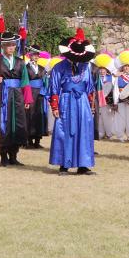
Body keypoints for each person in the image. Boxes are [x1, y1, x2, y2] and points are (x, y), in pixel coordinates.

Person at [49, 33, 97, 175]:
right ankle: (64, 165)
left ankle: (83, 165)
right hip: (65, 101)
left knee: (84, 131)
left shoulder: (85, 67)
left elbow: (89, 87)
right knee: (64, 131)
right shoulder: (58, 67)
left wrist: (91, 105)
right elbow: (54, 87)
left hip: (82, 102)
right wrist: (55, 106)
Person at [0, 33, 33, 166]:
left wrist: (27, 100)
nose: (11, 47)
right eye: (8, 45)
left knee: (18, 125)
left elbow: (25, 81)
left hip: (17, 96)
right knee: (3, 125)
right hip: (3, 96)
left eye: (13, 45)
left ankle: (13, 155)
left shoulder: (20, 62)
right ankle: (3, 155)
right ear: (3, 46)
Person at [24, 47, 48, 149]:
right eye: (34, 54)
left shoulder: (42, 68)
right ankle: (29, 140)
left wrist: (44, 92)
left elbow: (45, 82)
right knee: (29, 115)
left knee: (39, 116)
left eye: (38, 55)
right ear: (30, 55)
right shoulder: (25, 68)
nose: (36, 56)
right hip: (30, 92)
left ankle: (37, 140)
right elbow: (25, 82)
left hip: (40, 94)